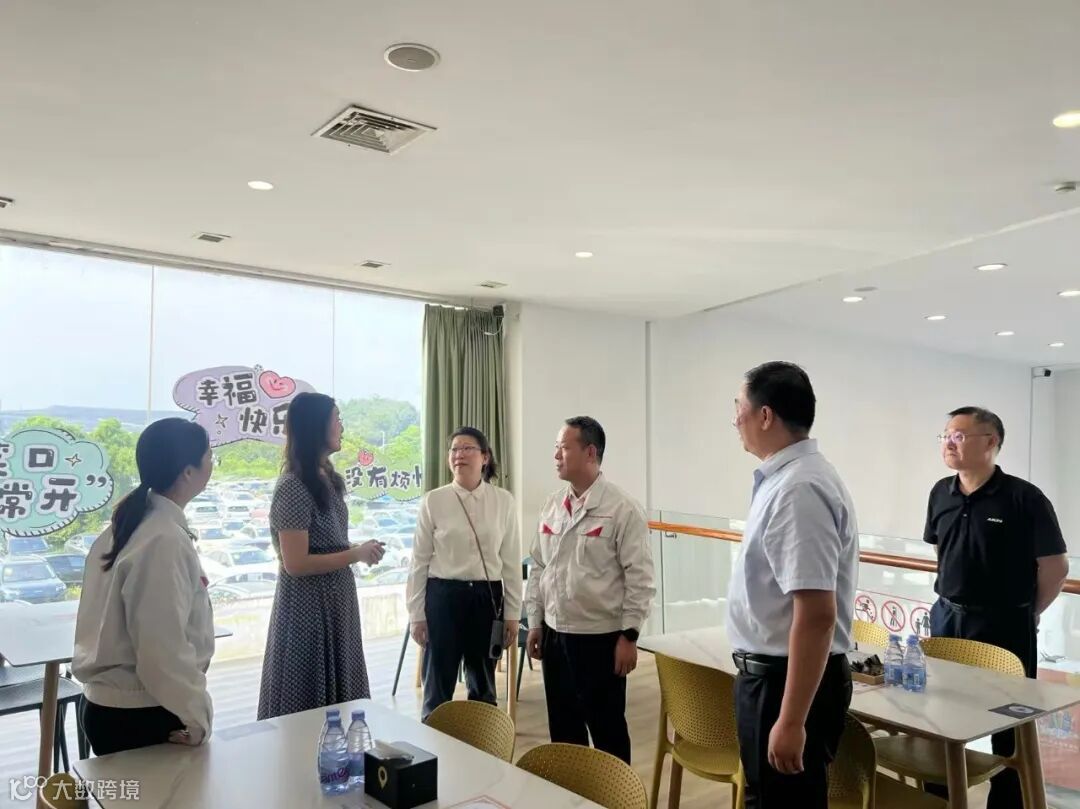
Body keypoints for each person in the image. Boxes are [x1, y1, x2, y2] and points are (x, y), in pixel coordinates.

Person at [727, 361, 859, 809]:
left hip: (785, 684)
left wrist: (790, 719)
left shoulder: (799, 488)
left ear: (765, 416)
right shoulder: (785, 479)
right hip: (772, 678)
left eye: (739, 407)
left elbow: (818, 614)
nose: (735, 420)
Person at [925, 406, 1068, 809]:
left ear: (990, 442)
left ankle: (1006, 803)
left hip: (1005, 624)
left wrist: (1028, 612)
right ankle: (939, 798)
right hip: (948, 617)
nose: (949, 443)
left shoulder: (1024, 498)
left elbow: (1055, 567)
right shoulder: (941, 491)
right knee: (938, 712)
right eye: (946, 436)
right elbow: (940, 549)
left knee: (1008, 724)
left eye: (959, 436)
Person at [74, 418, 216, 755]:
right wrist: (197, 716)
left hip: (121, 709)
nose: (212, 464)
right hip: (143, 713)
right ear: (188, 472)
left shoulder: (132, 524)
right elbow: (161, 650)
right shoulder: (163, 539)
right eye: (210, 457)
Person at [524, 416, 654, 765]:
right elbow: (539, 566)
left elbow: (640, 579)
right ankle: (571, 792)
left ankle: (617, 792)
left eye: (564, 448)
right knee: (564, 732)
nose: (556, 456)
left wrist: (629, 635)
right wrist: (535, 622)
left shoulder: (621, 509)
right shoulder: (553, 505)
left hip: (600, 639)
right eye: (556, 448)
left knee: (607, 730)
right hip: (555, 635)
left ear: (590, 452)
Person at [257, 392, 385, 719]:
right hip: (308, 608)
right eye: (336, 419)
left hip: (335, 602)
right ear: (317, 427)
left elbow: (326, 542)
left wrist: (358, 550)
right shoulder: (293, 486)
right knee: (308, 701)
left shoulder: (325, 478)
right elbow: (296, 563)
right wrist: (355, 554)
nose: (341, 427)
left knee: (341, 698)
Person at [406, 427, 522, 719]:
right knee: (437, 686)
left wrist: (512, 614)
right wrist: (416, 614)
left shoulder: (503, 501)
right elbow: (418, 562)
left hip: (487, 596)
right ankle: (434, 741)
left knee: (483, 686)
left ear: (485, 457)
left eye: (467, 448)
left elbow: (510, 562)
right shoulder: (434, 500)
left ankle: (483, 741)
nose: (459, 454)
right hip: (442, 596)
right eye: (454, 449)